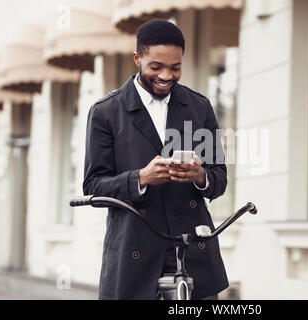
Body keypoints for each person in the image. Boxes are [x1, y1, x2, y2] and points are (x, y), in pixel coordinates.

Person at [83, 19, 228, 300]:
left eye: (175, 67)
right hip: (133, 250)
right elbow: (93, 186)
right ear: (137, 58)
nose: (166, 75)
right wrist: (140, 178)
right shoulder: (106, 112)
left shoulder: (199, 107)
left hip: (192, 250)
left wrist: (199, 176)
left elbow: (219, 180)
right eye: (156, 67)